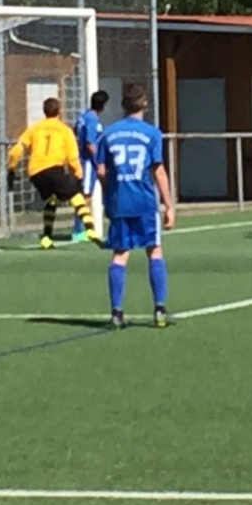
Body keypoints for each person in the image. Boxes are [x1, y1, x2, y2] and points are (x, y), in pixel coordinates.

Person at [98, 83, 175, 329]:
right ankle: (159, 310)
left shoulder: (108, 133)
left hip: (119, 200)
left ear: (123, 104)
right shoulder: (152, 133)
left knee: (120, 254)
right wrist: (169, 205)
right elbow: (158, 170)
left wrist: (111, 190)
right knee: (154, 250)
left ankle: (116, 312)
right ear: (145, 103)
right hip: (144, 202)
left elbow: (101, 170)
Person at [6, 97, 102, 251]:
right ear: (59, 111)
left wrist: (11, 168)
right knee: (77, 196)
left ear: (44, 111)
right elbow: (73, 157)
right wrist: (78, 174)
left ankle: (46, 238)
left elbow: (16, 150)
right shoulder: (65, 130)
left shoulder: (35, 128)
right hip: (54, 169)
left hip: (35, 172)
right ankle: (90, 229)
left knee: (52, 199)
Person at [72, 90, 109, 243]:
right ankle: (78, 230)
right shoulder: (92, 119)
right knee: (85, 196)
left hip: (81, 160)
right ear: (103, 105)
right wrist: (99, 161)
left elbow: (75, 133)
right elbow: (90, 143)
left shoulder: (83, 116)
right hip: (87, 162)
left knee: (84, 195)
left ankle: (82, 228)